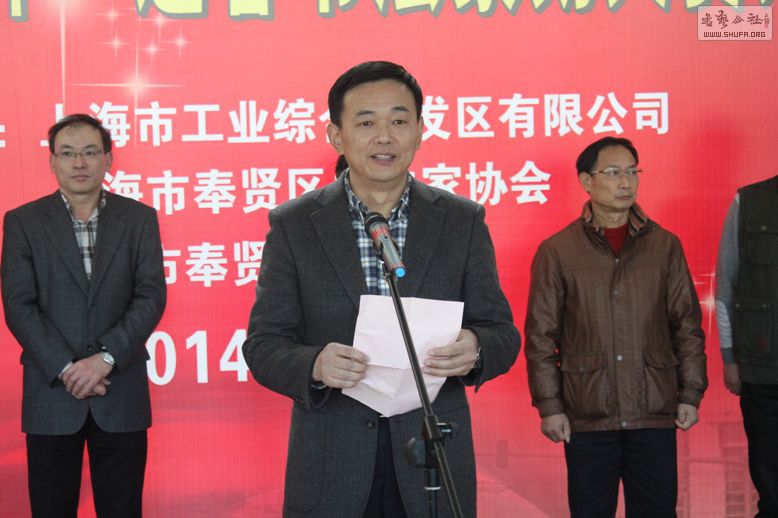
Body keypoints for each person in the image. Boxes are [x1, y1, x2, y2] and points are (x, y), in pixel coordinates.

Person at [243, 61, 520, 518]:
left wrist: (476, 347)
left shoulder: (461, 220)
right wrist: (315, 364)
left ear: (420, 131)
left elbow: (502, 333)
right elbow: (264, 345)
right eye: (366, 123)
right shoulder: (295, 224)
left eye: (399, 121)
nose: (385, 137)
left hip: (432, 459)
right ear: (336, 135)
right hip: (333, 462)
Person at [524, 136, 707, 517]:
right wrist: (550, 406)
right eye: (612, 172)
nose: (625, 182)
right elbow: (541, 337)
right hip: (588, 412)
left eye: (632, 171)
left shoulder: (665, 246)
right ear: (586, 181)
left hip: (653, 408)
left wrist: (690, 393)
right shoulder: (558, 251)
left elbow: (687, 326)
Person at [1, 114, 167, 518]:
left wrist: (105, 358)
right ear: (52, 161)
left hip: (120, 390)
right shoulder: (22, 222)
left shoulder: (139, 218)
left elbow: (150, 295)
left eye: (90, 152)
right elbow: (19, 304)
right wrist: (66, 367)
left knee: (122, 508)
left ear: (108, 159)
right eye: (68, 153)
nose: (79, 163)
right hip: (51, 394)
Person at [716, 175, 778, 517]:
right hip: (763, 368)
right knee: (772, 493)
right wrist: (729, 357)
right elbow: (726, 285)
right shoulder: (750, 201)